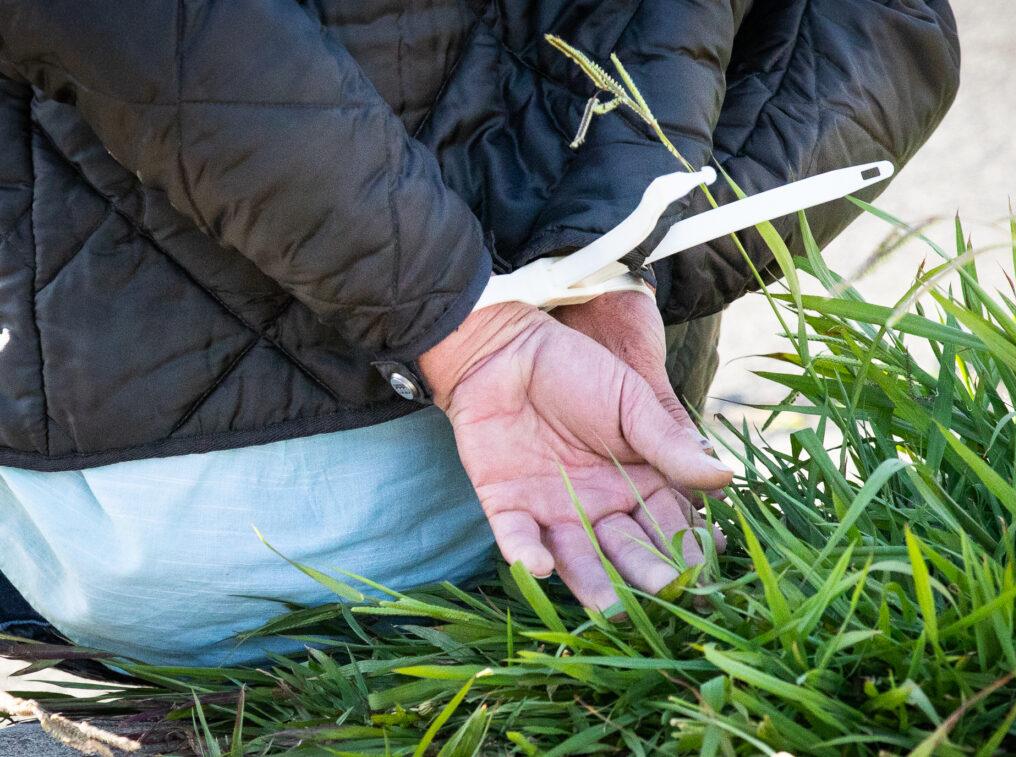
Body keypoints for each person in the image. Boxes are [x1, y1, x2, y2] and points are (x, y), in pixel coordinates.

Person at [0, 0, 959, 666]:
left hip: (165, 537)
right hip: (615, 452)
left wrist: (463, 323)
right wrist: (624, 265)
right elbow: (884, 26)